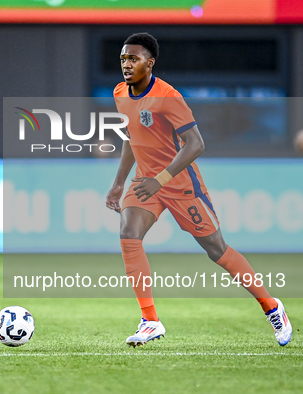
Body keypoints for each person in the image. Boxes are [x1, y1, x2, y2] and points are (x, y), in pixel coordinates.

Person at [105, 32, 292, 347]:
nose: (126, 64)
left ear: (149, 63)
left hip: (179, 184)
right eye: (123, 58)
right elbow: (130, 136)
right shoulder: (120, 92)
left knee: (217, 250)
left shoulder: (168, 96)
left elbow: (196, 144)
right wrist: (119, 182)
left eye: (133, 59)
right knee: (128, 234)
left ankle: (272, 307)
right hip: (145, 182)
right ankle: (150, 320)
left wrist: (161, 179)